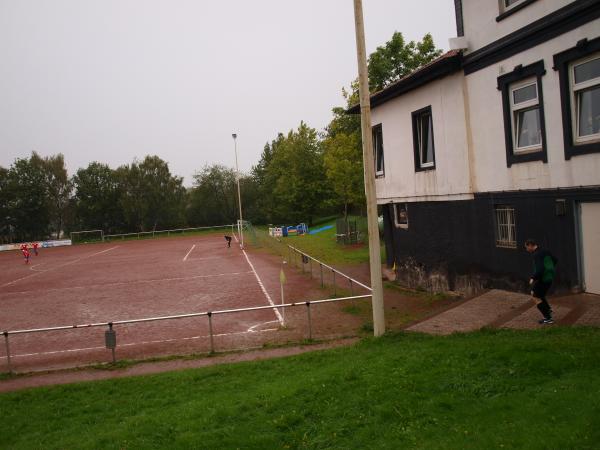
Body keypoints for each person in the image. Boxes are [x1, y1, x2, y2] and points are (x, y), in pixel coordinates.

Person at [524, 238, 558, 324]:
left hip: (543, 278)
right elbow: (555, 260)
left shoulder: (537, 254)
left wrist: (533, 278)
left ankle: (548, 318)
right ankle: (548, 310)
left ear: (530, 245)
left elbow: (540, 268)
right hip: (549, 277)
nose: (527, 250)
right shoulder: (545, 251)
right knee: (540, 294)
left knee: (535, 296)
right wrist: (550, 270)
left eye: (526, 247)